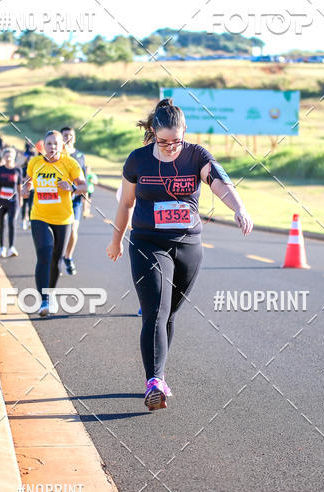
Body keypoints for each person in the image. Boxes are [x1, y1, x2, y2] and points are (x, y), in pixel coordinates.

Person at [106, 98, 252, 411]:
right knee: (155, 311)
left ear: (185, 132)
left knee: (169, 312)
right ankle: (154, 381)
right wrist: (117, 239)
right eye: (163, 142)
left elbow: (220, 182)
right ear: (153, 133)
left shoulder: (196, 155)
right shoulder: (138, 160)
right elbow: (125, 204)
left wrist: (239, 208)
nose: (171, 147)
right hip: (148, 242)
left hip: (189, 245)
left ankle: (158, 375)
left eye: (177, 141)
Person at [23, 130, 87, 317]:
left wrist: (72, 187)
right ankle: (44, 300)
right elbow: (27, 182)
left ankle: (50, 294)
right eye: (48, 143)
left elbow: (84, 186)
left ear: (61, 146)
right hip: (39, 215)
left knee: (56, 259)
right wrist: (25, 189)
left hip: (63, 218)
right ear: (43, 145)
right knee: (44, 252)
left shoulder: (70, 163)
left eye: (55, 144)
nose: (52, 147)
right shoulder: (34, 163)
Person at [60, 126, 90, 274]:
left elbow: (85, 182)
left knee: (73, 230)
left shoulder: (80, 155)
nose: (68, 138)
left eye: (71, 135)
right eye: (65, 135)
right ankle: (58, 256)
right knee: (59, 231)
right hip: (59, 200)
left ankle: (68, 257)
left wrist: (86, 202)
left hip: (76, 199)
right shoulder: (57, 155)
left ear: (75, 138)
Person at [0, 147, 23, 258]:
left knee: (11, 222)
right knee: (1, 223)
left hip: (13, 202)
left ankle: (11, 247)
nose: (8, 158)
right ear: (3, 157)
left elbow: (19, 186)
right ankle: (2, 248)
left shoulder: (17, 170)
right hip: (1, 201)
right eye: (6, 156)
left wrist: (21, 198)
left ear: (14, 157)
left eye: (10, 156)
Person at [21, 148, 36, 230]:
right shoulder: (23, 169)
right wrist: (25, 180)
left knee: (30, 206)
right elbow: (21, 179)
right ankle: (23, 220)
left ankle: (30, 221)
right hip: (24, 188)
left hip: (32, 190)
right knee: (24, 205)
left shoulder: (35, 169)